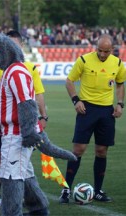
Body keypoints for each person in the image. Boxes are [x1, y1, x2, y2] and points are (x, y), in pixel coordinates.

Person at [59, 34, 126, 204]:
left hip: (106, 112)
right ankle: (66, 190)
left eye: (106, 51)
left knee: (102, 151)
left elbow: (120, 84)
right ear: (95, 47)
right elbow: (69, 81)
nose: (102, 54)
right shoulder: (83, 60)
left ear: (112, 49)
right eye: (100, 50)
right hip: (86, 110)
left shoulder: (117, 63)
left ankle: (98, 191)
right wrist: (76, 100)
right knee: (78, 149)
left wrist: (120, 104)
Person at [0, 30, 49, 215]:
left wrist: (30, 130)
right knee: (25, 174)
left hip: (17, 135)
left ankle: (12, 212)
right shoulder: (9, 70)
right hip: (13, 133)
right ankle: (39, 209)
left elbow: (27, 103)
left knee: (10, 179)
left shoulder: (16, 72)